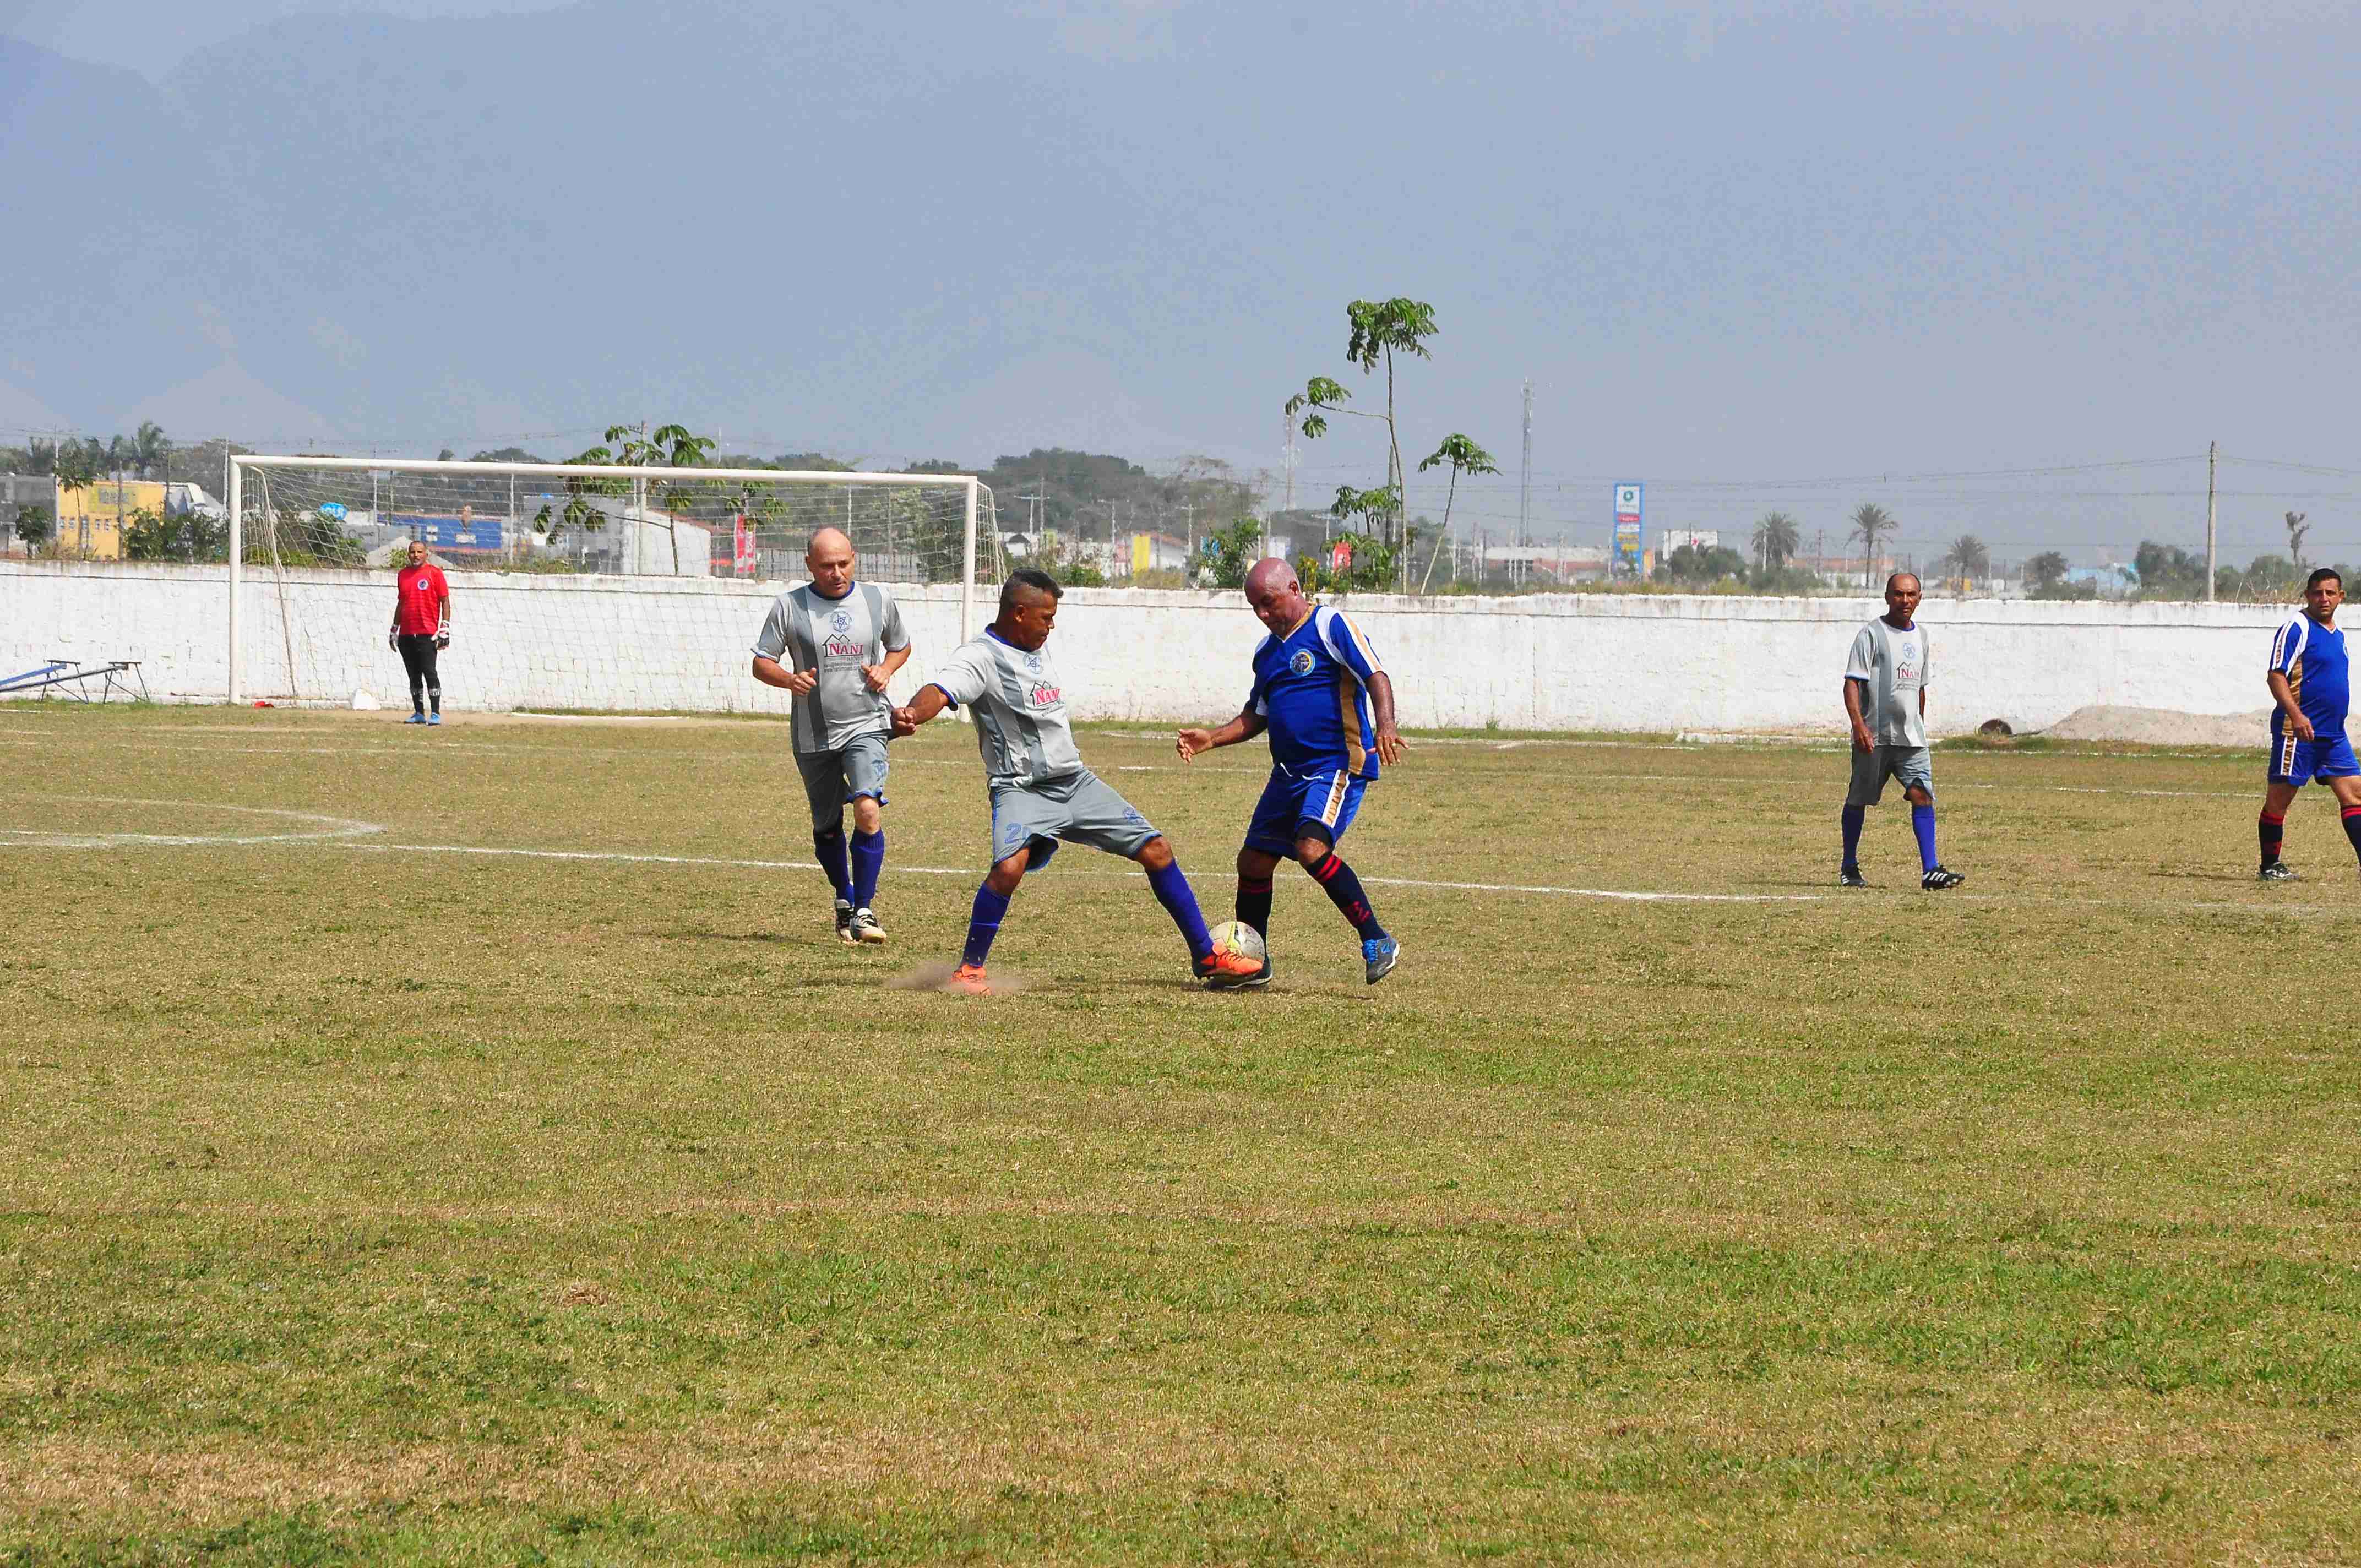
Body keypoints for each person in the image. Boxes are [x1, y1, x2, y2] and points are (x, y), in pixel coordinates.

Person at [890, 569, 1260, 995]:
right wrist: (913, 715)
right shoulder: (980, 657)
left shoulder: (1034, 645)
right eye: (1046, 617)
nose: (1052, 625)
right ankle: (970, 970)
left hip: (1075, 782)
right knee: (1008, 868)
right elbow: (940, 689)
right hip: (1021, 788)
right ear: (1019, 613)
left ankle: (1206, 955)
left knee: (1157, 850)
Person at [1174, 557, 1407, 986]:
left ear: (1295, 588)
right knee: (1254, 863)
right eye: (1255, 608)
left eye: (1269, 603)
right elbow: (1256, 715)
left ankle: (1376, 940)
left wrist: (1386, 724)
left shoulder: (1329, 626)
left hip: (1336, 764)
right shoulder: (1266, 654)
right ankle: (1252, 962)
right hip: (1288, 774)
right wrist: (1213, 738)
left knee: (1311, 849)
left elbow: (1375, 674)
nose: (1263, 615)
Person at [751, 527, 912, 944]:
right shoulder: (789, 607)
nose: (836, 573)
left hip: (867, 725)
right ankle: (844, 897)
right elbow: (761, 662)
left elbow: (900, 646)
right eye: (826, 566)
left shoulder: (878, 600)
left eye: (843, 563)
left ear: (854, 558)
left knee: (867, 809)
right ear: (809, 565)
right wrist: (789, 679)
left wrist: (887, 669)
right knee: (826, 826)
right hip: (813, 736)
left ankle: (864, 911)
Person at [1841, 571, 1963, 890]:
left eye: (1911, 595)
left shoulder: (1921, 637)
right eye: (1898, 594)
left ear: (1920, 598)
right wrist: (1859, 725)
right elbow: (1852, 682)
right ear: (1887, 597)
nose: (1904, 601)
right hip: (1875, 737)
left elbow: (1920, 687)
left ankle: (1930, 870)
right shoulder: (1872, 634)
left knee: (1922, 795)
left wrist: (1919, 724)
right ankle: (1849, 865)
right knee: (1858, 799)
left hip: (1911, 739)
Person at [2257, 567, 2360, 881]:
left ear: (2341, 597)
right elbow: (2276, 675)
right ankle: (2270, 866)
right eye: (2318, 593)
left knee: (2355, 795)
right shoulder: (2297, 627)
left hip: (2333, 735)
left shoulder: (2338, 635)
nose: (2324, 598)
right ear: (2308, 596)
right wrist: (2297, 715)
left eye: (2331, 593)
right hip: (2297, 732)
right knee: (2280, 799)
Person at [388, 538, 450, 725]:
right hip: (407, 633)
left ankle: (436, 713)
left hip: (428, 632)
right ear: (409, 554)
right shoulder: (403, 575)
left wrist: (445, 627)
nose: (416, 555)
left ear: (426, 554)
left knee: (429, 671)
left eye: (419, 552)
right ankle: (419, 713)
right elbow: (402, 603)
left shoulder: (435, 574)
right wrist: (394, 629)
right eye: (412, 552)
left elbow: (445, 601)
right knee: (413, 674)